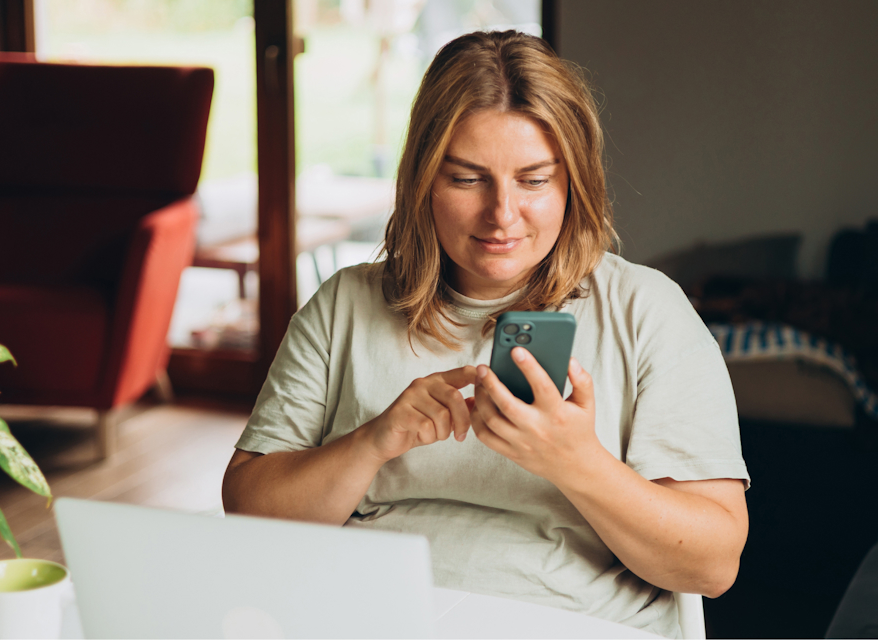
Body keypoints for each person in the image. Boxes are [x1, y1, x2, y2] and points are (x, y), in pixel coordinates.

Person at [222, 30, 750, 638]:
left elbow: (711, 564)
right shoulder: (345, 303)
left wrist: (576, 463)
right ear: (423, 180)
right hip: (364, 616)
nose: (502, 215)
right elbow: (250, 510)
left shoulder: (648, 311)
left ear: (572, 183)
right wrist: (373, 441)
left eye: (533, 180)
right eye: (468, 179)